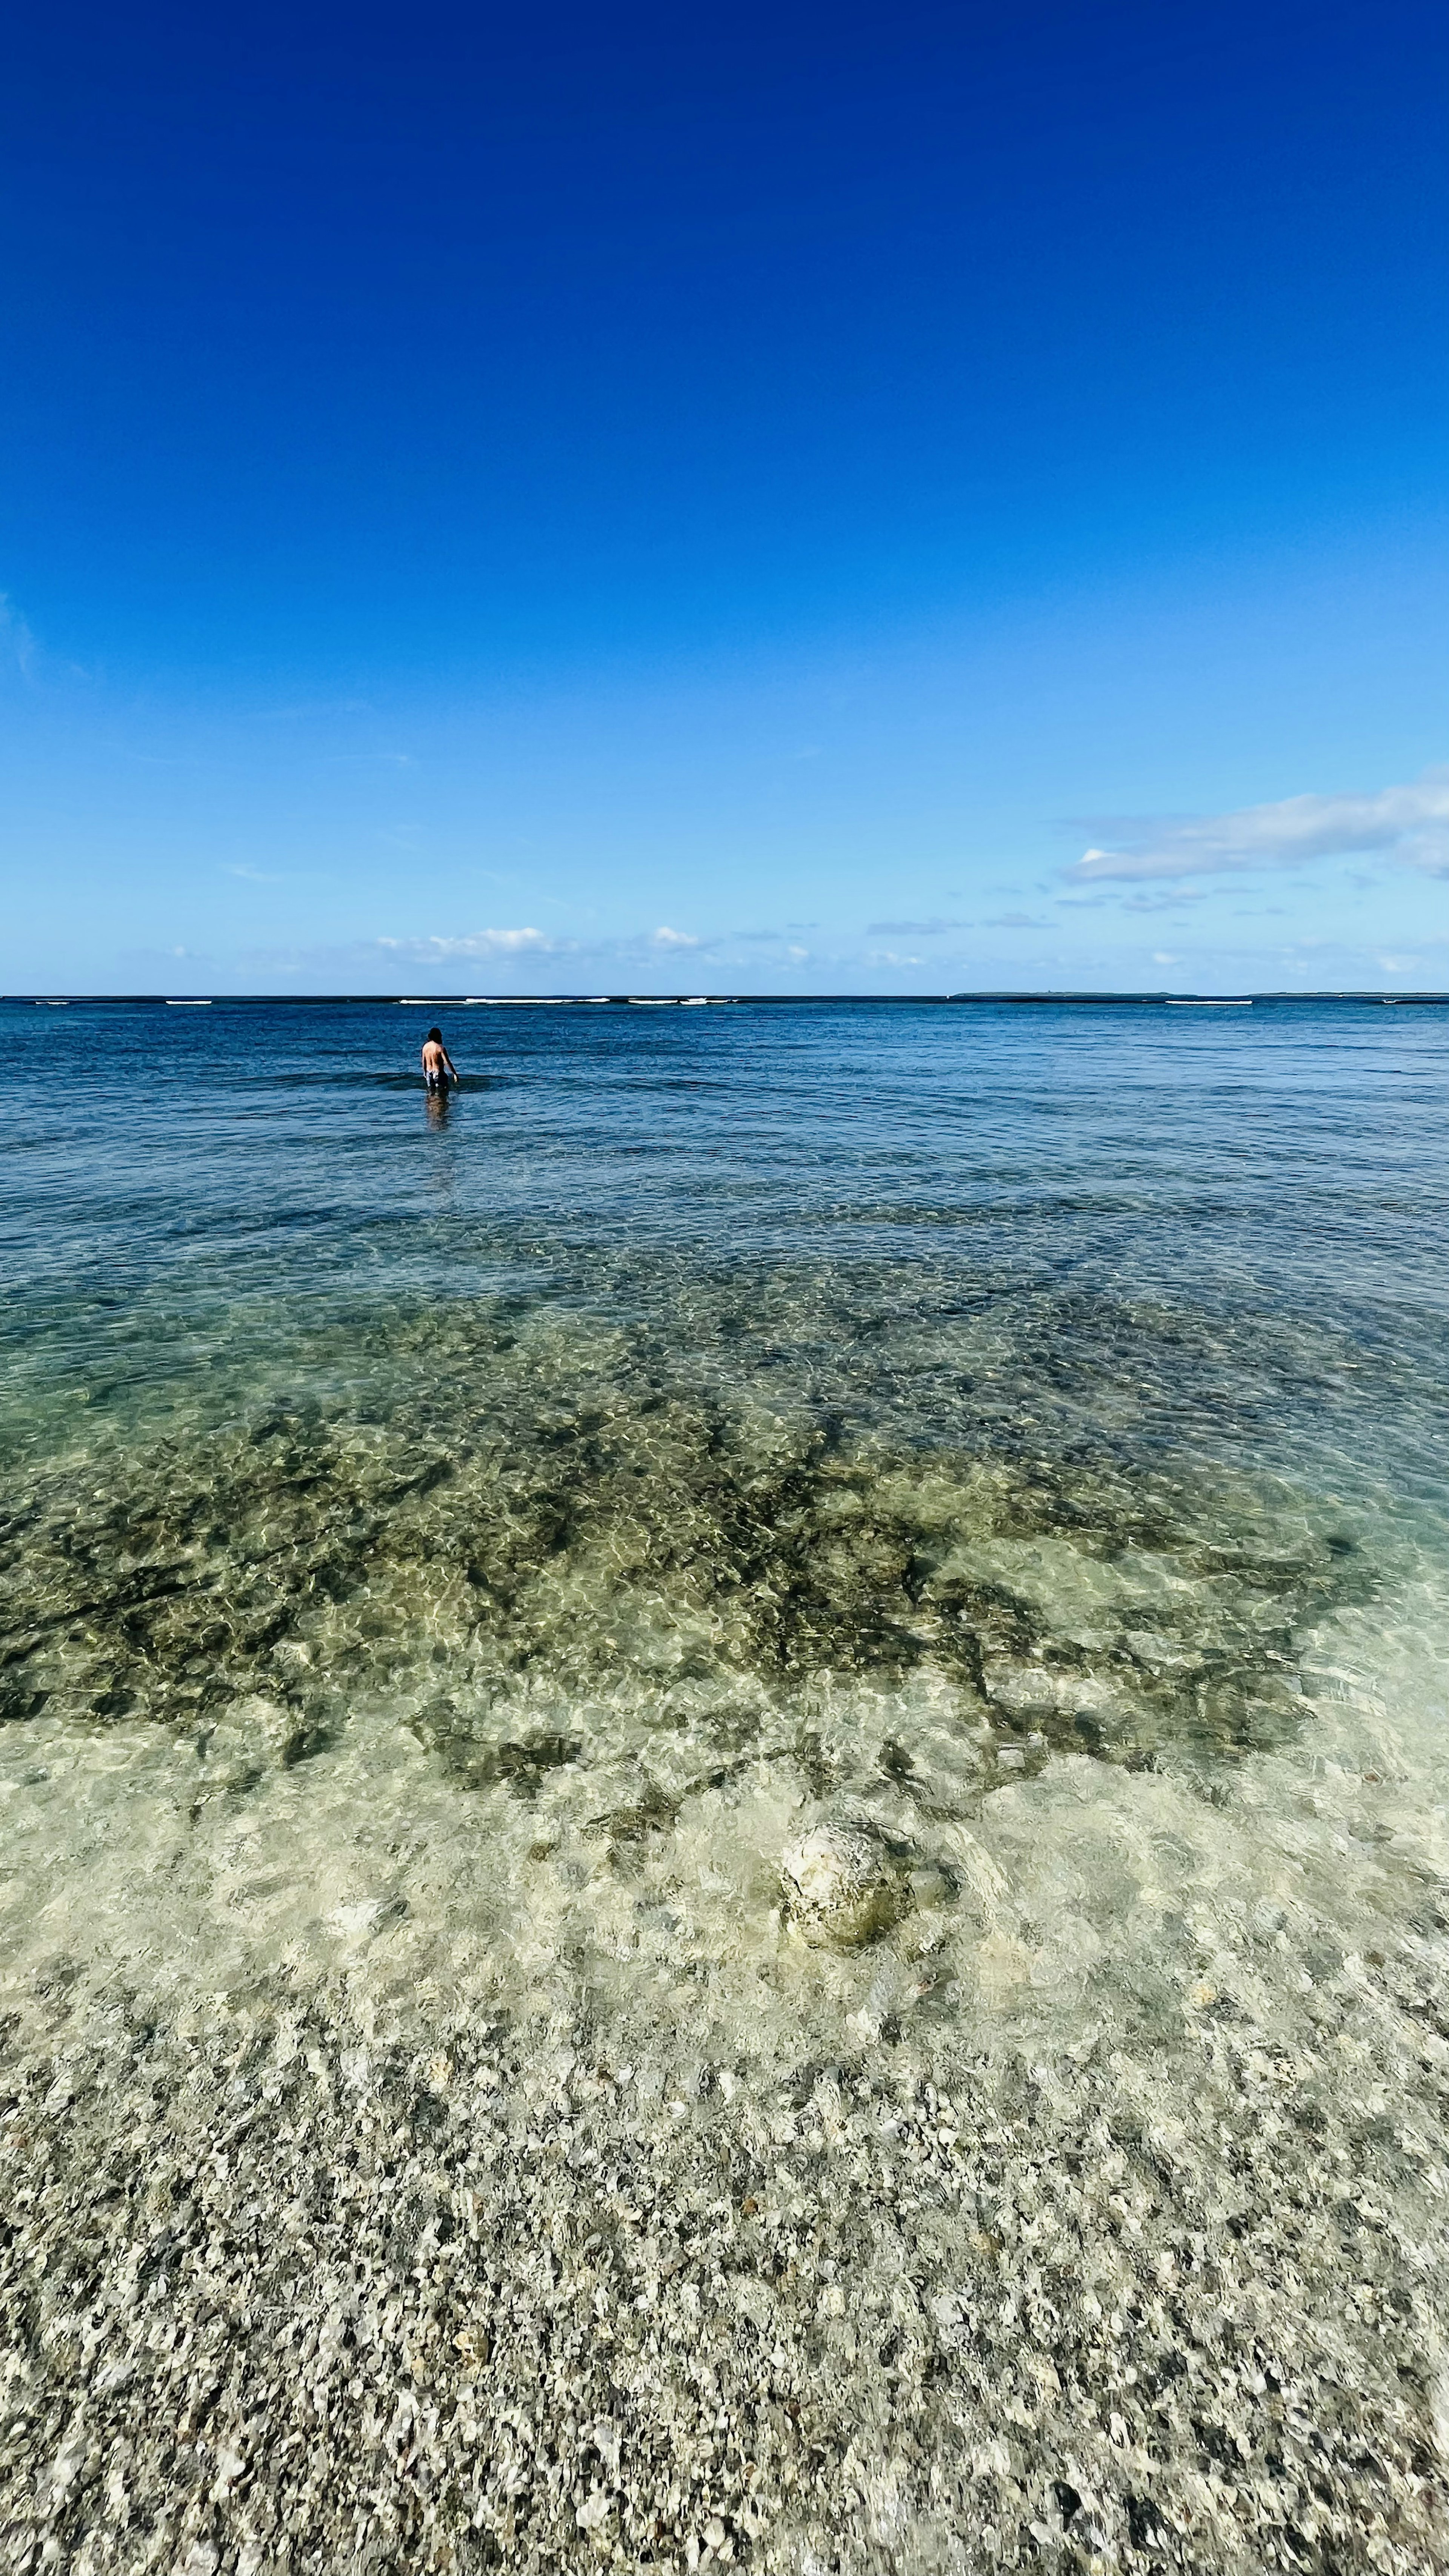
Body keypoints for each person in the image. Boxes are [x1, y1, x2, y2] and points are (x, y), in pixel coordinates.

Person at [421, 1026, 459, 1095]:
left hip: (429, 1073)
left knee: (431, 1093)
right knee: (443, 1092)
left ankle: (431, 1104)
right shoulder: (440, 1048)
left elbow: (424, 1062)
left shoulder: (425, 1047)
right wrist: (454, 1073)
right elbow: (447, 1062)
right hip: (438, 1073)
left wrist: (425, 1072)